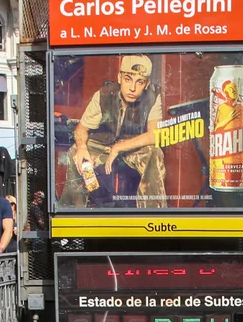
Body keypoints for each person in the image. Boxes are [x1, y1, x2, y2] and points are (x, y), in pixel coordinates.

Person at [58, 54, 166, 209]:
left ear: (146, 84)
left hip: (131, 147)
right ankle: (74, 216)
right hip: (102, 145)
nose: (132, 88)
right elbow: (81, 129)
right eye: (128, 79)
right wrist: (82, 147)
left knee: (154, 153)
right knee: (76, 151)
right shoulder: (104, 94)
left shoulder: (153, 97)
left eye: (139, 82)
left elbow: (155, 135)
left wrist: (119, 147)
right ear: (120, 77)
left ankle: (153, 217)